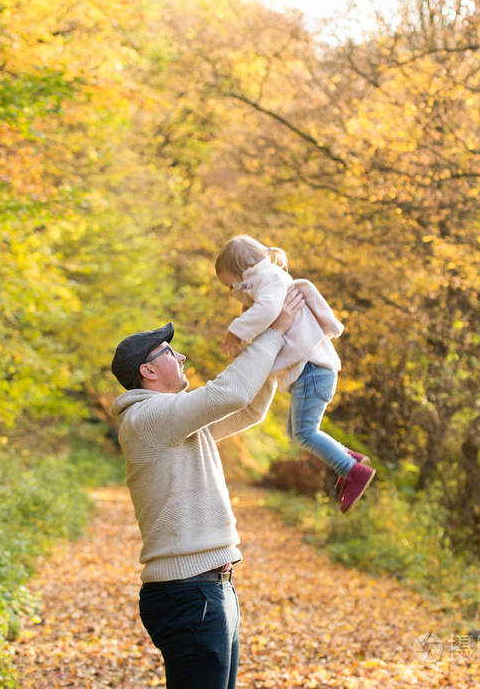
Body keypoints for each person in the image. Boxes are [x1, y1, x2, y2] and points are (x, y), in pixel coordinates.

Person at [109, 288, 302, 689]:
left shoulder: (172, 420)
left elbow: (247, 408)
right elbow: (227, 393)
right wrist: (274, 332)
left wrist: (272, 348)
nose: (181, 358)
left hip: (211, 587)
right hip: (189, 592)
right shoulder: (148, 417)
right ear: (147, 371)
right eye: (169, 352)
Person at [215, 234, 375, 513]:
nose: (234, 293)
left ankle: (352, 471)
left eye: (232, 286)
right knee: (296, 431)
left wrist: (236, 331)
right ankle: (349, 457)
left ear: (242, 272)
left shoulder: (270, 279)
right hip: (313, 371)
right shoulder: (267, 281)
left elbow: (269, 309)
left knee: (303, 432)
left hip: (314, 371)